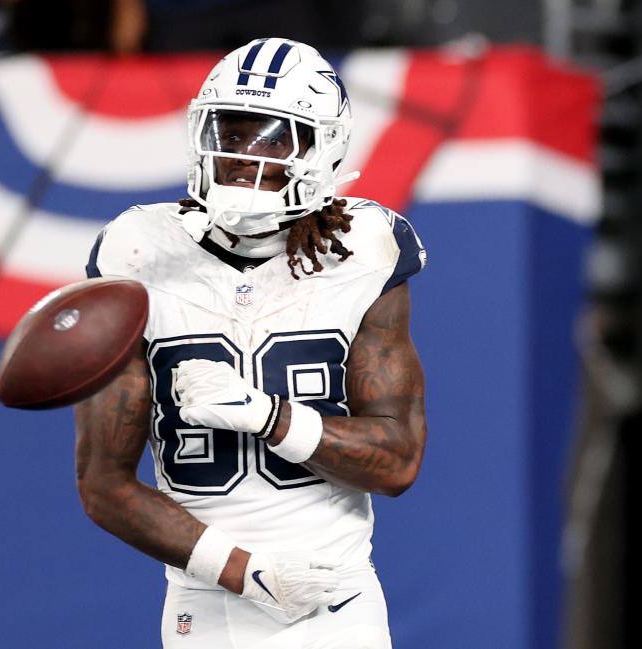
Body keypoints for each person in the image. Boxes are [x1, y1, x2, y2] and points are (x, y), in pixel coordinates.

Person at [75, 37, 428, 648]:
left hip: (335, 599)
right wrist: (244, 572)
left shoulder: (363, 248)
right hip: (206, 601)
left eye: (273, 137)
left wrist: (271, 418)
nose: (244, 156)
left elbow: (397, 461)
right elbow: (103, 482)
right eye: (230, 134)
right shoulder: (137, 250)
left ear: (324, 149)